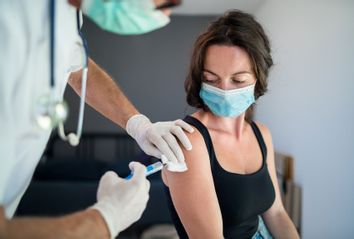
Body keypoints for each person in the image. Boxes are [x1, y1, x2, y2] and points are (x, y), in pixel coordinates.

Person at [0, 0, 193, 238]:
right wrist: (105, 220)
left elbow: (78, 70)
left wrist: (139, 125)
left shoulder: (66, 14)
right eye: (166, 2)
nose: (165, 14)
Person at [162, 10, 300, 238]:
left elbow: (276, 214)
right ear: (199, 78)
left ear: (258, 78)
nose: (224, 90)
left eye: (238, 80)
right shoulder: (190, 142)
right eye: (211, 79)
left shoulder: (261, 134)